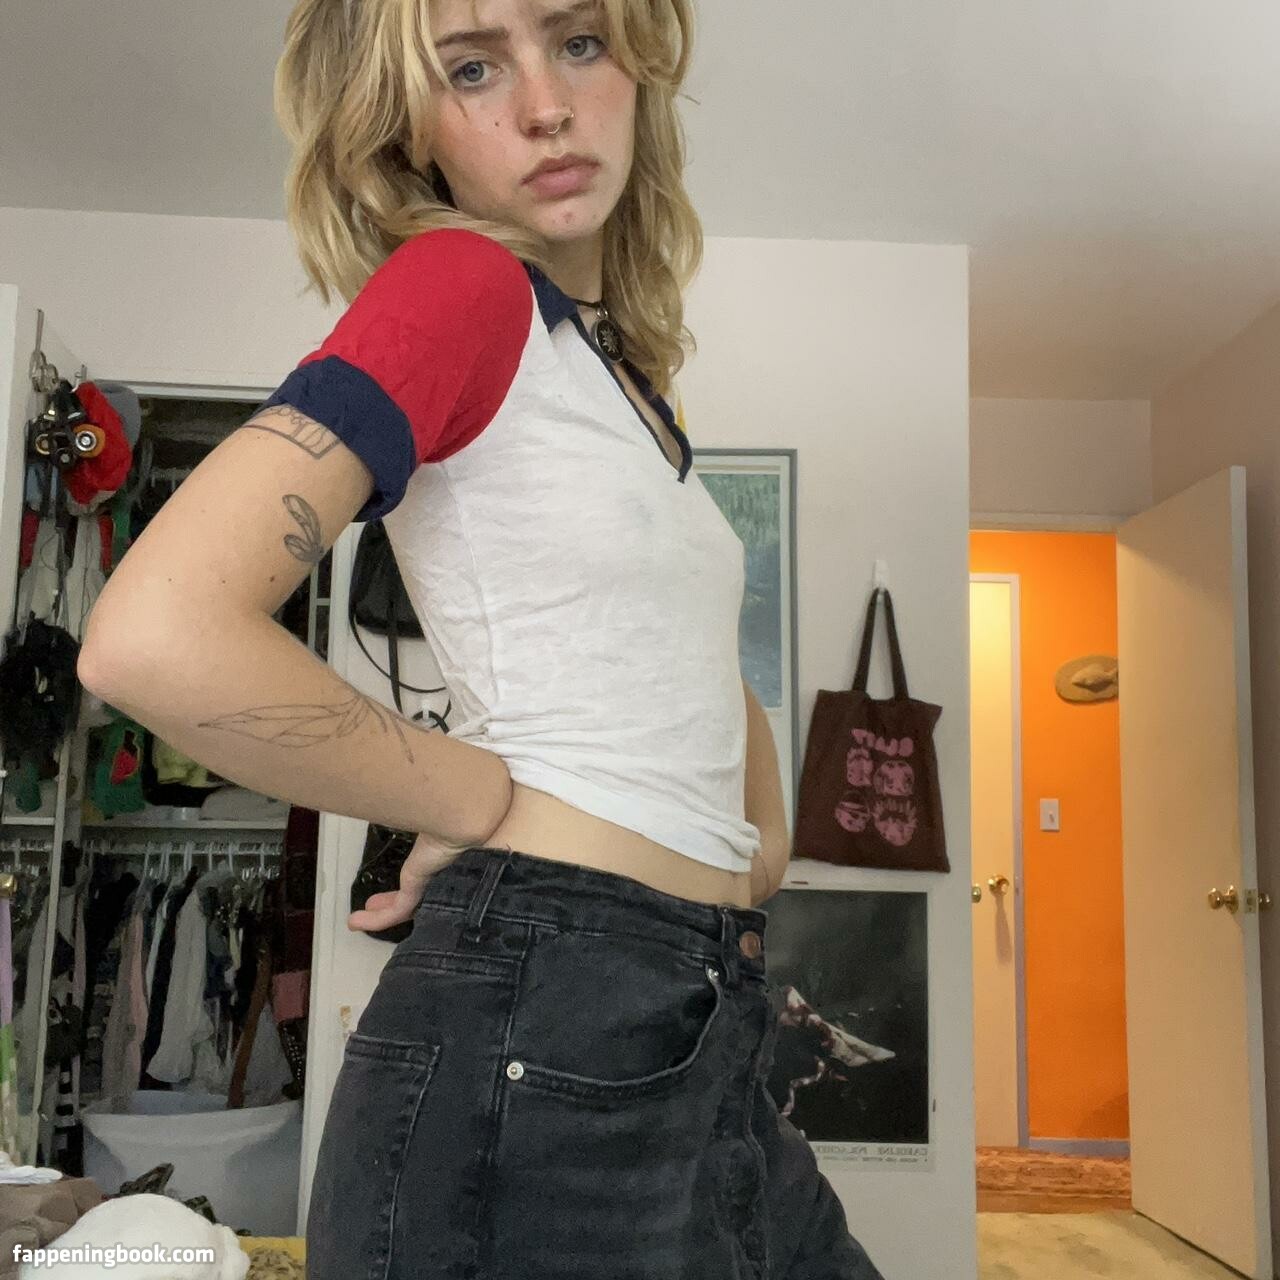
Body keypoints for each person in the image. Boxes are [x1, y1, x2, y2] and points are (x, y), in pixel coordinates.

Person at [78, 0, 884, 1275]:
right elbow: (153, 634)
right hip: (548, 1012)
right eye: (470, 68)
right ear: (409, 132)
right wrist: (474, 791)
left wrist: (735, 854)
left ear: (637, 68)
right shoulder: (460, 286)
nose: (544, 105)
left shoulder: (622, 380)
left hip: (696, 995)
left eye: (578, 42)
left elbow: (707, 709)